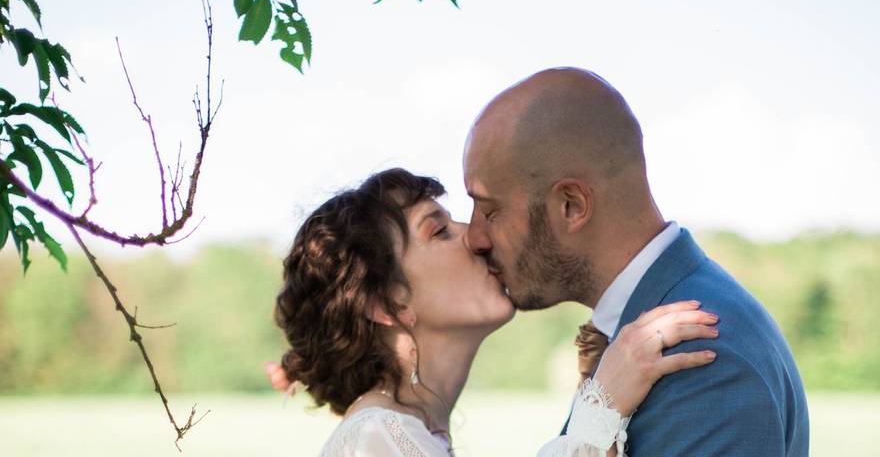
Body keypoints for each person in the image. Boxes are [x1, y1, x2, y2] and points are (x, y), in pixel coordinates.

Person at [462, 67, 809, 456]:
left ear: (571, 206)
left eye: (489, 212)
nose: (474, 238)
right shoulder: (636, 341)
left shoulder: (704, 358)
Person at [267, 168, 719, 455]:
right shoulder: (377, 439)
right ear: (386, 303)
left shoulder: (404, 433)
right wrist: (602, 406)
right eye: (439, 230)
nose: (476, 237)